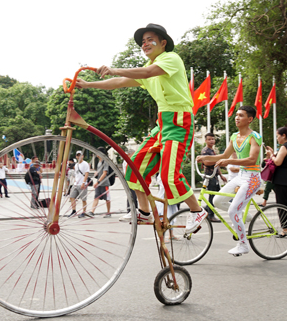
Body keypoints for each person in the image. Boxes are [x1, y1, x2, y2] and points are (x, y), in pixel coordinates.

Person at [77, 23, 206, 227]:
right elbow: (119, 82)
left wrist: (111, 69)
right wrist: (88, 85)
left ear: (163, 43)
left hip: (180, 121)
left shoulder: (170, 59)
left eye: (150, 39)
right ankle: (144, 212)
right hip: (162, 124)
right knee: (133, 165)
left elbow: (145, 73)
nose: (145, 44)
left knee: (169, 178)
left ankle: (197, 211)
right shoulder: (149, 71)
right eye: (143, 41)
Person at [198, 106, 262, 256]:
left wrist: (229, 162)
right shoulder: (234, 137)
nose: (237, 118)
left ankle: (243, 244)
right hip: (241, 176)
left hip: (252, 178)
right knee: (218, 201)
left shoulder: (254, 137)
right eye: (236, 115)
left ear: (250, 119)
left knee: (233, 210)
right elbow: (223, 155)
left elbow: (252, 159)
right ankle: (245, 217)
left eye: (241, 115)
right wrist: (205, 158)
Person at [264, 127, 287, 236]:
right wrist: (273, 154)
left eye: (277, 136)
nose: (277, 138)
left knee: (281, 204)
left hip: (282, 178)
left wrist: (271, 156)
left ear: (283, 135)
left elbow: (278, 162)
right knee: (283, 203)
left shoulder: (285, 147)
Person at [200, 133, 227, 223]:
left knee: (216, 195)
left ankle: (204, 210)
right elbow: (206, 162)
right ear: (206, 141)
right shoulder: (205, 151)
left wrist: (221, 175)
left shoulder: (213, 150)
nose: (211, 141)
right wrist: (218, 161)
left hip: (214, 176)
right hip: (209, 177)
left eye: (212, 139)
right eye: (209, 139)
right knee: (213, 196)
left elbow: (216, 166)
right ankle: (210, 215)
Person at [88, 146, 112, 218]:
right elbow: (100, 172)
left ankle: (108, 212)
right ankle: (92, 212)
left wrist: (98, 182)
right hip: (99, 183)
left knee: (107, 198)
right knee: (96, 197)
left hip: (104, 183)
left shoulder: (105, 161)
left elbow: (104, 173)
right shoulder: (99, 162)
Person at [69, 151, 89, 216]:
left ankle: (84, 212)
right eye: (78, 155)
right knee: (72, 197)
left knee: (83, 199)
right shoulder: (76, 165)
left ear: (82, 156)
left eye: (80, 155)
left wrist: (83, 182)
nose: (79, 157)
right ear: (76, 156)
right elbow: (76, 174)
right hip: (76, 184)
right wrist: (75, 182)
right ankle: (74, 210)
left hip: (82, 183)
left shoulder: (85, 164)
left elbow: (86, 173)